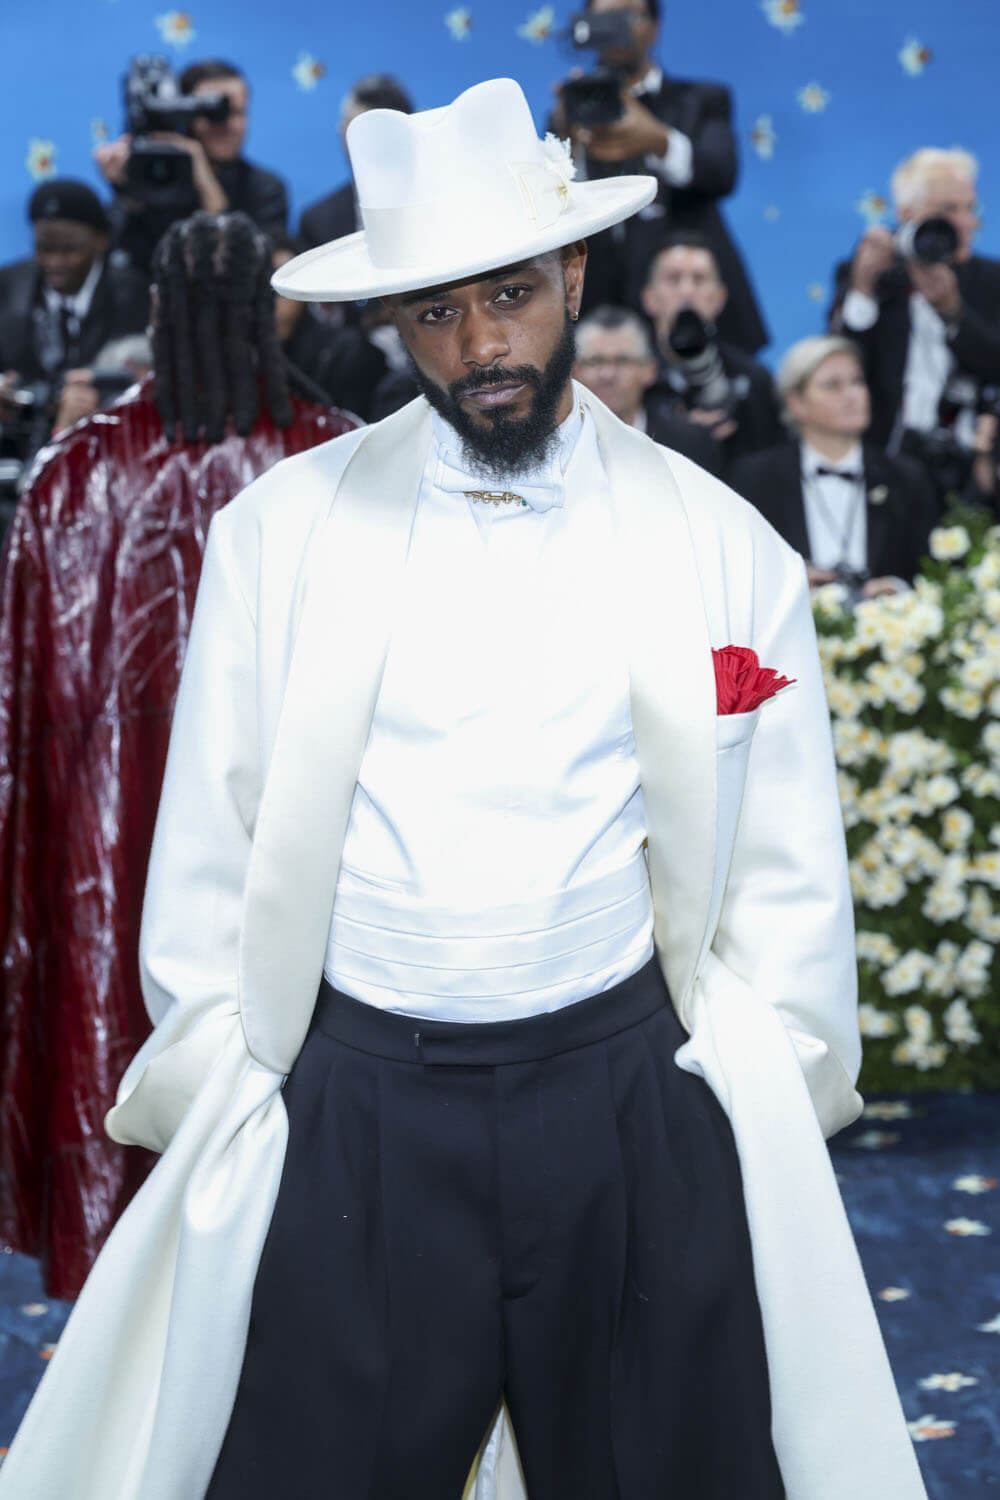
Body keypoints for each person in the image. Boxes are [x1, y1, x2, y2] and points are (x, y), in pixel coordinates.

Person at [0, 80, 927, 1500]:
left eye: (510, 295)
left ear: (574, 276)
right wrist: (247, 1084)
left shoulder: (721, 542)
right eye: (436, 312)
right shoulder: (279, 533)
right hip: (354, 1103)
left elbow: (786, 860)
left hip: (634, 1094)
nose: (482, 345)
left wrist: (742, 1099)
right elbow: (208, 842)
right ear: (391, 321)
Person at [0, 211, 356, 1304]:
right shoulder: (339, 458)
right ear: (269, 312)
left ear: (153, 312)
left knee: (116, 1037)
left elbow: (23, 725)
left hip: (107, 855)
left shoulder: (71, 473)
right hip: (297, 843)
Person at [553, 0, 767, 351]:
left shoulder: (702, 99)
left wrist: (658, 140)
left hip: (690, 301)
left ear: (654, 27)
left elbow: (720, 174)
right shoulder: (571, 110)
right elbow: (556, 202)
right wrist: (566, 142)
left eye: (628, 14)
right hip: (601, 308)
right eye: (604, 17)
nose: (616, 26)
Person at [732, 336, 938, 600]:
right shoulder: (756, 479)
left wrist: (896, 588)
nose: (853, 395)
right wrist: (790, 585)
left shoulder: (906, 477)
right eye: (833, 385)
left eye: (858, 382)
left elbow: (932, 568)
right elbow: (738, 568)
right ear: (796, 402)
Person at [830, 148, 1000, 453]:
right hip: (881, 453)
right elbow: (839, 363)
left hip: (964, 457)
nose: (965, 223)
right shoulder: (872, 270)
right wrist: (863, 291)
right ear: (906, 213)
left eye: (971, 209)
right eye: (949, 209)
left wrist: (952, 312)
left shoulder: (991, 280)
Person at [0, 179, 149, 467]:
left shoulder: (134, 298)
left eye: (69, 250)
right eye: (44, 248)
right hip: (18, 453)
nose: (54, 262)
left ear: (101, 241)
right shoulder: (7, 289)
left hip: (110, 451)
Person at [96, 59, 289, 274]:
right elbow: (128, 259)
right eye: (216, 114)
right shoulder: (152, 173)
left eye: (239, 113)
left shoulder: (264, 187)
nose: (231, 126)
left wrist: (204, 180)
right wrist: (125, 189)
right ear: (184, 113)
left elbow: (258, 268)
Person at [641, 231, 782, 466]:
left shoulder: (754, 379)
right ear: (649, 298)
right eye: (673, 279)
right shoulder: (630, 376)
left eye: (699, 279)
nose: (687, 291)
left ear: (719, 297)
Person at [574, 303, 723, 473]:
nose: (608, 375)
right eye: (595, 361)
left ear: (650, 371)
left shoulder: (691, 444)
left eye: (623, 361)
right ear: (574, 371)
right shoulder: (554, 442)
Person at [272, 232, 386, 417]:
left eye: (279, 290)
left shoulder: (348, 353)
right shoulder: (239, 358)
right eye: (260, 290)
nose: (271, 305)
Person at [298, 73, 414, 251]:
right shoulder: (318, 223)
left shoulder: (446, 203)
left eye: (373, 131)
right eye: (350, 126)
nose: (341, 132)